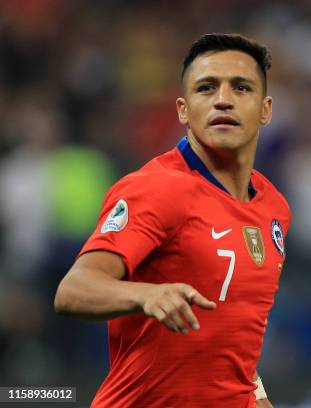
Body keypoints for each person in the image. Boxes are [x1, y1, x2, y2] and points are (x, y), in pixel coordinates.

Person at [54, 33, 290, 408]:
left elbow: (234, 332)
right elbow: (73, 290)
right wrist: (145, 294)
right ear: (183, 109)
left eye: (241, 88)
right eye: (206, 88)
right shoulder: (156, 190)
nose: (223, 100)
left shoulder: (274, 207)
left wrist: (257, 397)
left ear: (265, 109)